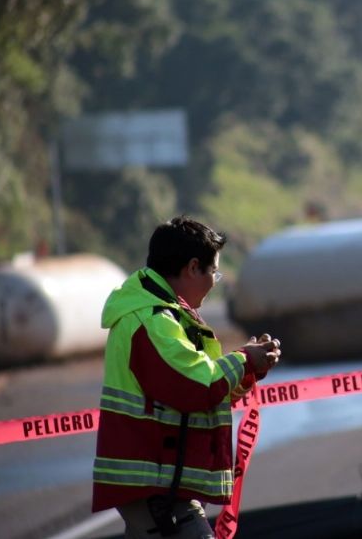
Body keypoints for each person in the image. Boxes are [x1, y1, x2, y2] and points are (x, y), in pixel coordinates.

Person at [92, 216, 281, 538]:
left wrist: (249, 370)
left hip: (161, 481)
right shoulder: (153, 320)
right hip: (154, 481)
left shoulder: (162, 314)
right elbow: (197, 386)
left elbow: (197, 389)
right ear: (193, 267)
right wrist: (245, 359)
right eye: (214, 272)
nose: (214, 282)